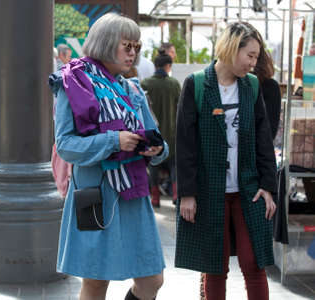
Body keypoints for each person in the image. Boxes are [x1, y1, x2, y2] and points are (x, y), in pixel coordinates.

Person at [49, 13, 168, 300]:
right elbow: (65, 145)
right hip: (96, 194)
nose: (133, 53)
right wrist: (114, 140)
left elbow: (156, 139)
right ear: (105, 43)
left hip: (133, 193)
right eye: (126, 46)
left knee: (152, 280)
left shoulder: (132, 88)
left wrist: (156, 148)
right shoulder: (74, 82)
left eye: (136, 47)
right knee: (95, 283)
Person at [175, 22, 277, 300]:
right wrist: (187, 193)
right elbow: (185, 144)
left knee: (254, 263)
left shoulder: (251, 86)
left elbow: (263, 139)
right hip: (209, 191)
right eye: (251, 55)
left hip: (248, 189)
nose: (254, 63)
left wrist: (268, 186)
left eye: (257, 57)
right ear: (232, 48)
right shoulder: (196, 84)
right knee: (214, 268)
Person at [141, 54, 181, 207]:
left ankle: (155, 198)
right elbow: (180, 108)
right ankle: (176, 195)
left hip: (153, 134)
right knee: (174, 167)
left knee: (153, 166)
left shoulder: (145, 83)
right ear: (168, 66)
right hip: (172, 134)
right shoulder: (174, 84)